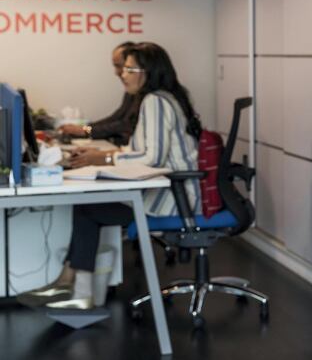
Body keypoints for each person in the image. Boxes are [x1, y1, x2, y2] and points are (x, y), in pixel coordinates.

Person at [20, 42, 202, 310]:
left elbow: (154, 158)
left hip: (173, 200)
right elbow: (143, 149)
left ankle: (75, 289)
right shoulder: (158, 99)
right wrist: (105, 153)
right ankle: (72, 286)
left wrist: (106, 158)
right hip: (167, 193)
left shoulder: (156, 101)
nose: (122, 75)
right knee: (88, 208)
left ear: (147, 72)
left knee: (88, 210)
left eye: (130, 69)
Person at [59, 41, 141, 146]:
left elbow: (125, 125)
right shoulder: (132, 91)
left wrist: (86, 130)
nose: (118, 73)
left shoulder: (150, 97)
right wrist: (85, 128)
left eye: (119, 66)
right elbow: (117, 117)